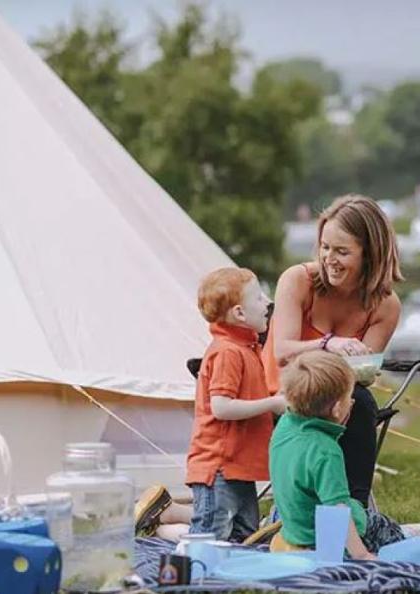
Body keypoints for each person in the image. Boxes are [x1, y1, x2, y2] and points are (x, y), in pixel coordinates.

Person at [264, 195, 403, 507]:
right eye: (325, 247)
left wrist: (359, 362)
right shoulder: (298, 280)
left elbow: (362, 376)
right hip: (284, 391)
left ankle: (354, 509)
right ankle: (308, 513)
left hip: (337, 399)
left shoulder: (385, 306)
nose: (329, 258)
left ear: (370, 255)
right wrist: (330, 344)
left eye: (342, 251)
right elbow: (282, 353)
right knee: (351, 407)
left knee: (362, 403)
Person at [136, 267, 286, 542]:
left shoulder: (247, 349)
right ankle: (159, 531)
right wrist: (272, 403)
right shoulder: (228, 352)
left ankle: (170, 521)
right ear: (240, 313)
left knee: (244, 537)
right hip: (218, 467)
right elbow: (221, 407)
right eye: (259, 298)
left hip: (239, 467)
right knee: (208, 538)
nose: (268, 303)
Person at [269, 350, 405, 557]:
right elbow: (338, 509)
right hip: (327, 538)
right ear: (336, 409)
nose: (352, 402)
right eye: (349, 398)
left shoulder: (286, 425)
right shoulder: (326, 452)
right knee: (395, 533)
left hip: (295, 531)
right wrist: (362, 555)